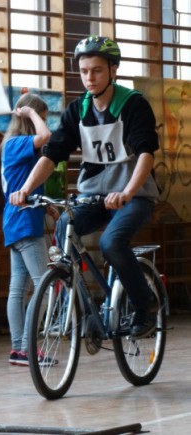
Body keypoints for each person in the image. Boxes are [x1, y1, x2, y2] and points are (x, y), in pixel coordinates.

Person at [9, 36, 160, 338]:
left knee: (111, 243)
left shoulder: (133, 104)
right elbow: (52, 155)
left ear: (113, 70)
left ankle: (145, 306)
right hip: (94, 195)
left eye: (97, 70)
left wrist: (128, 192)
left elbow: (146, 153)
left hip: (134, 196)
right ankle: (85, 308)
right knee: (64, 227)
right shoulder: (78, 110)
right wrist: (25, 188)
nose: (89, 78)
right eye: (84, 71)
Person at [1, 92, 57, 366]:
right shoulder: (16, 144)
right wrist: (31, 113)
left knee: (19, 287)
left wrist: (45, 207)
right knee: (44, 285)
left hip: (19, 220)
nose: (41, 122)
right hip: (23, 223)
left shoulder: (17, 147)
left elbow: (24, 183)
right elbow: (46, 136)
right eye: (39, 117)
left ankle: (19, 350)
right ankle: (27, 348)